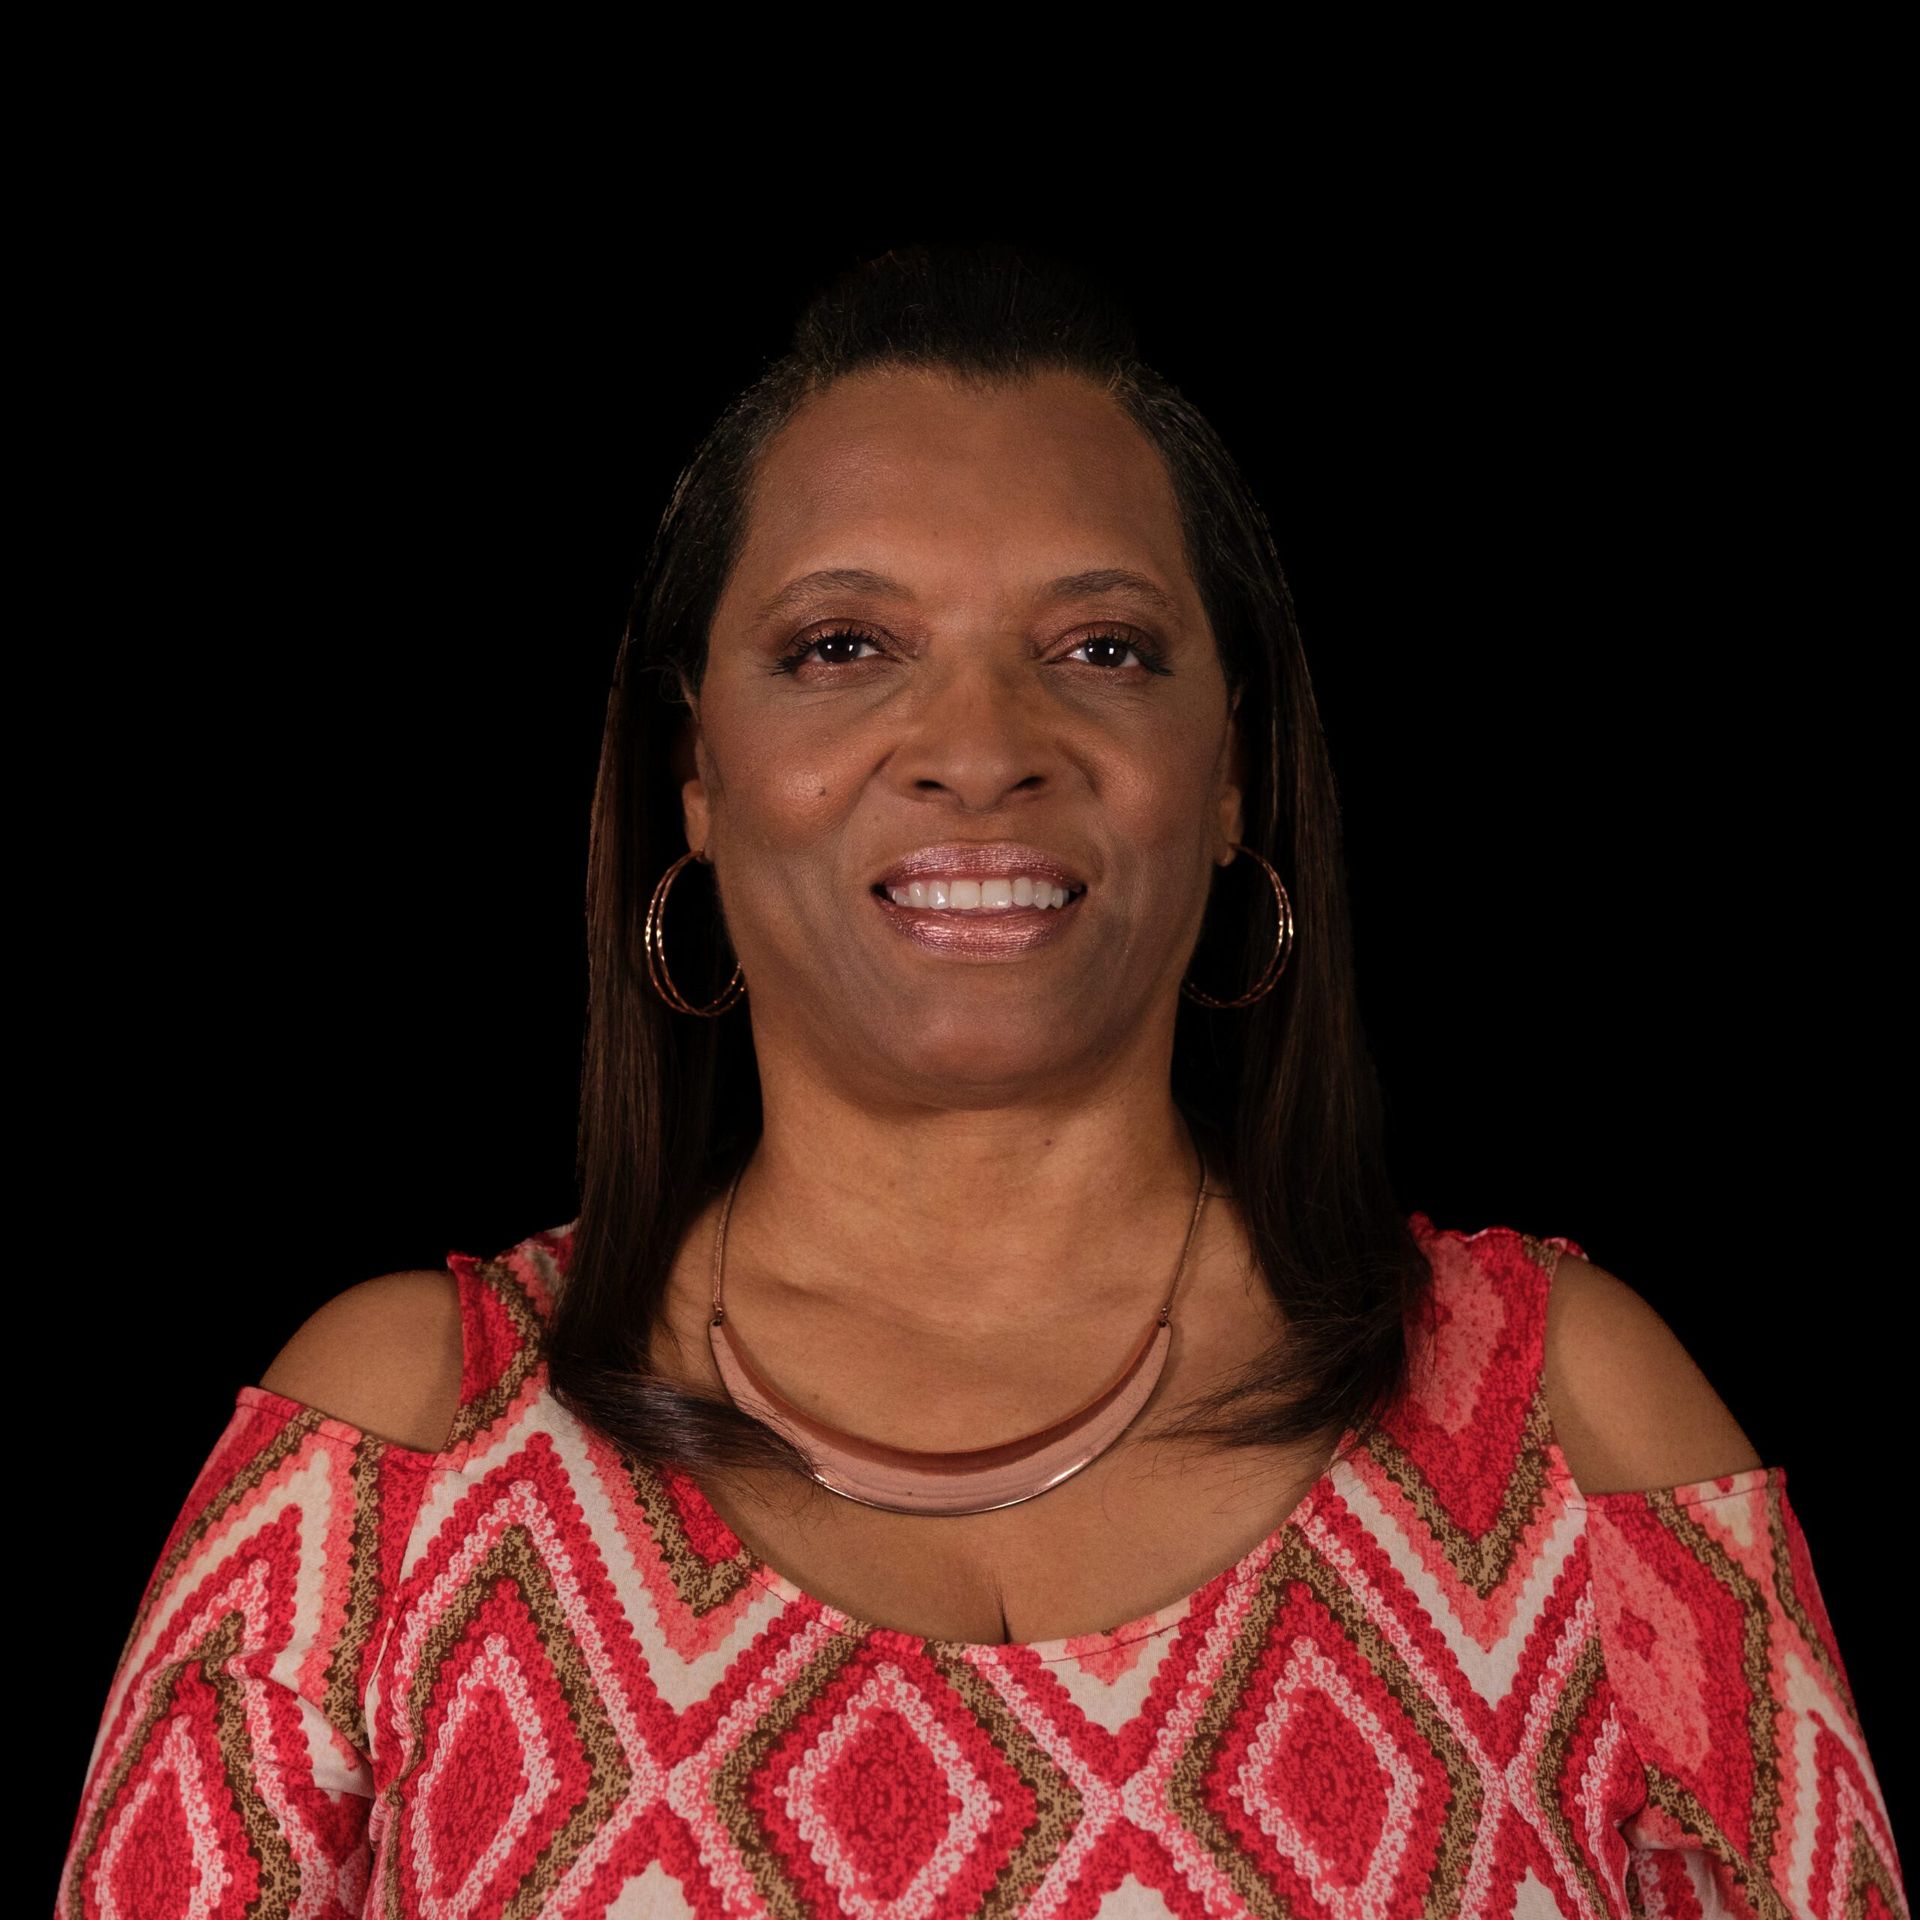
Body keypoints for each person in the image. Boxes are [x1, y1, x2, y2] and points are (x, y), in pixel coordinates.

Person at [58, 242, 1904, 1919]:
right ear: (696, 775)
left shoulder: (1573, 1438)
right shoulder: (390, 1474)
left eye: (1101, 649)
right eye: (842, 647)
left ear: (1233, 772)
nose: (979, 749)